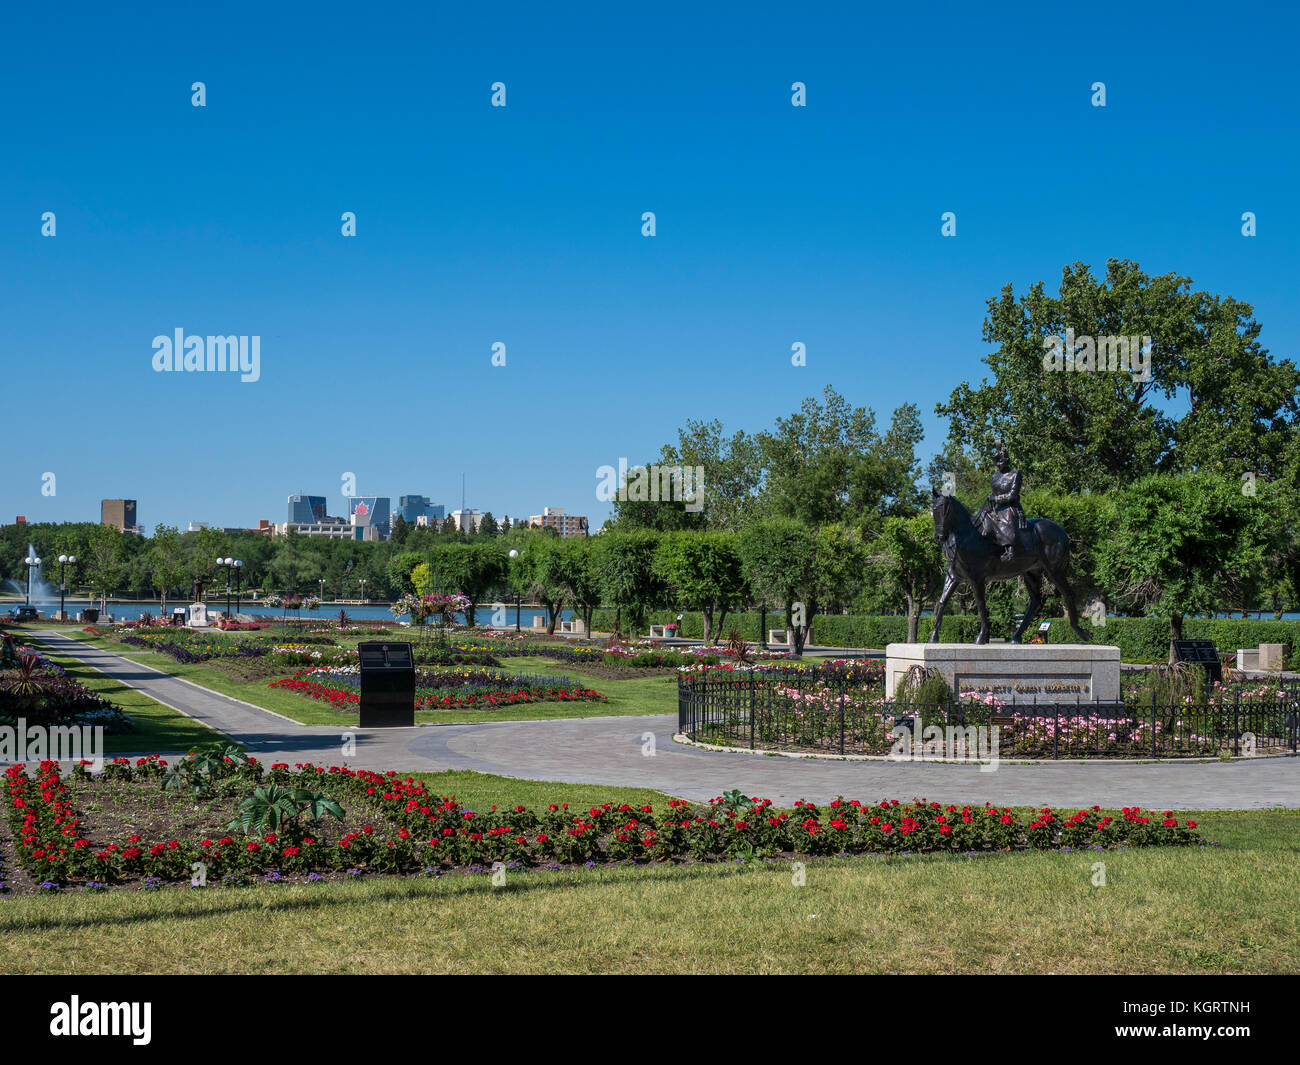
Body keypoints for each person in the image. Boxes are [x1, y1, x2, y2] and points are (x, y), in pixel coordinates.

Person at [976, 445, 1027, 561]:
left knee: (1007, 517)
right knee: (982, 515)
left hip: (1011, 507)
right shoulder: (995, 476)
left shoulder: (1015, 474)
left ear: (1005, 461)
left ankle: (1011, 550)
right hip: (997, 507)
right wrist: (991, 498)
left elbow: (1012, 495)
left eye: (999, 461)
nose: (997, 464)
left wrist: (997, 499)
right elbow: (994, 493)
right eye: (996, 462)